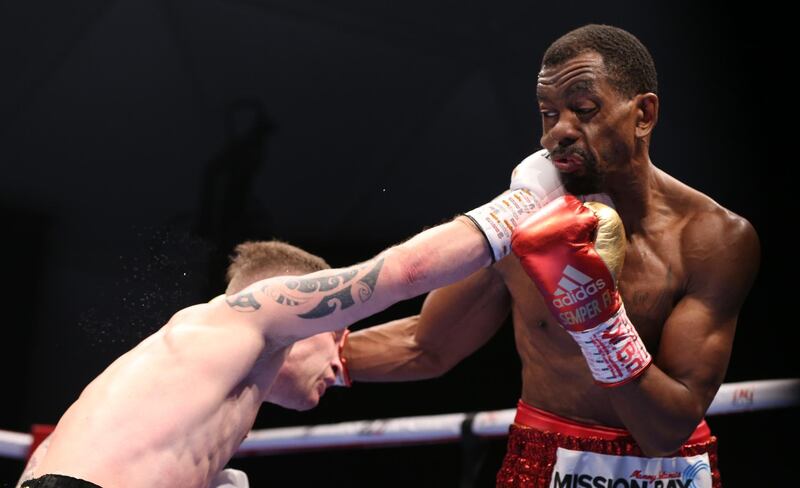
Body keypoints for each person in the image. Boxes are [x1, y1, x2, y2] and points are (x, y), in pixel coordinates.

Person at [342, 24, 759, 487]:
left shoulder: (712, 239)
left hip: (669, 471)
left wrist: (599, 323)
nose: (556, 133)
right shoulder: (522, 225)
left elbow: (665, 430)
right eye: (547, 113)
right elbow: (426, 344)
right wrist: (294, 350)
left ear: (643, 114)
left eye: (583, 110)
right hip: (545, 463)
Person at [16, 185, 551, 488]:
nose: (342, 358)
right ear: (300, 319)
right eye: (335, 332)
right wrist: (530, 198)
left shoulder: (206, 393)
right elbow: (405, 273)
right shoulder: (243, 316)